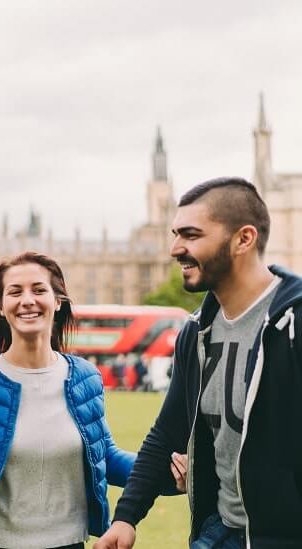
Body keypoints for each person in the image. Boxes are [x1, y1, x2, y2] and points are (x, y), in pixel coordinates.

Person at [96, 177, 302, 549]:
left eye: (191, 235)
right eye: (175, 234)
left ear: (244, 239)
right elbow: (168, 431)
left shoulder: (293, 324)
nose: (175, 248)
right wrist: (126, 517)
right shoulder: (196, 332)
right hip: (219, 534)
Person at [0, 251, 139, 549]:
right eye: (15, 292)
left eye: (39, 289)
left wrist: (163, 471)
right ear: (2, 307)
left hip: (67, 542)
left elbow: (105, 457)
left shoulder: (86, 377)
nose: (27, 300)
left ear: (58, 301)